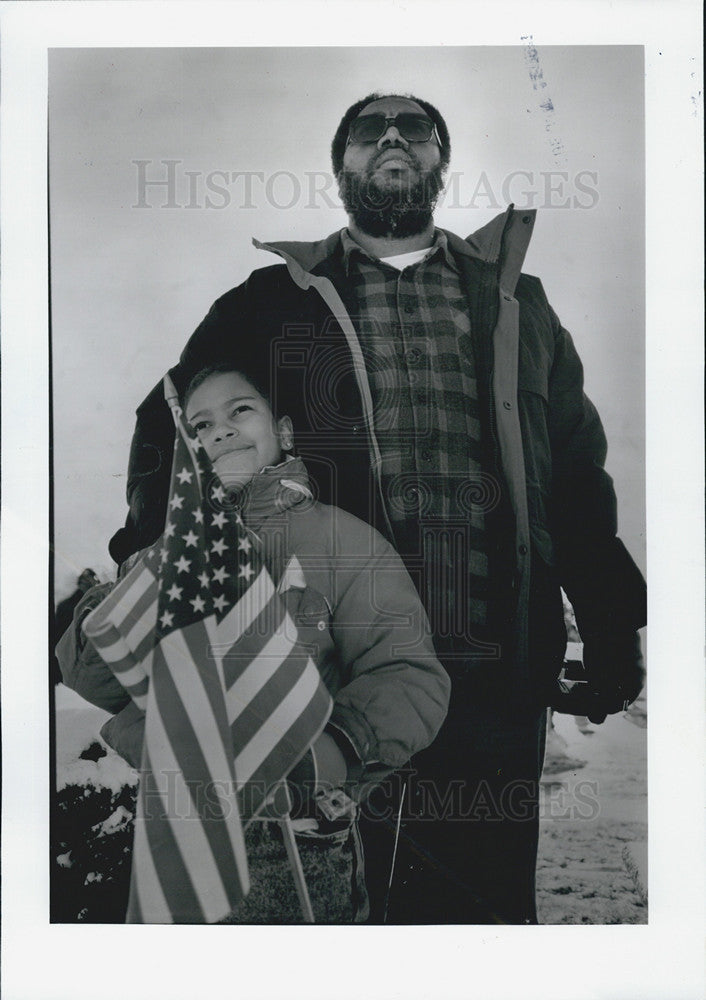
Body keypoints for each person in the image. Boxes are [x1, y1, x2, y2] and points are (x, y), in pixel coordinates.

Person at [107, 93, 646, 923]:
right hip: (331, 664)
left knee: (483, 916)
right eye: (370, 131)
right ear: (342, 167)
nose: (393, 140)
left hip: (497, 666)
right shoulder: (268, 301)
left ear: (439, 163)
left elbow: (575, 475)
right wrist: (159, 573)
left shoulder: (518, 304)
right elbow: (175, 425)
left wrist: (611, 623)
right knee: (341, 908)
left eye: (415, 131)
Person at [57, 363, 450, 923]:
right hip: (179, 832)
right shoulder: (166, 555)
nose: (220, 430)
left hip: (300, 838)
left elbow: (410, 677)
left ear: (284, 431)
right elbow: (93, 681)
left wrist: (328, 753)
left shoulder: (348, 543)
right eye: (200, 426)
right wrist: (115, 597)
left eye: (240, 410)